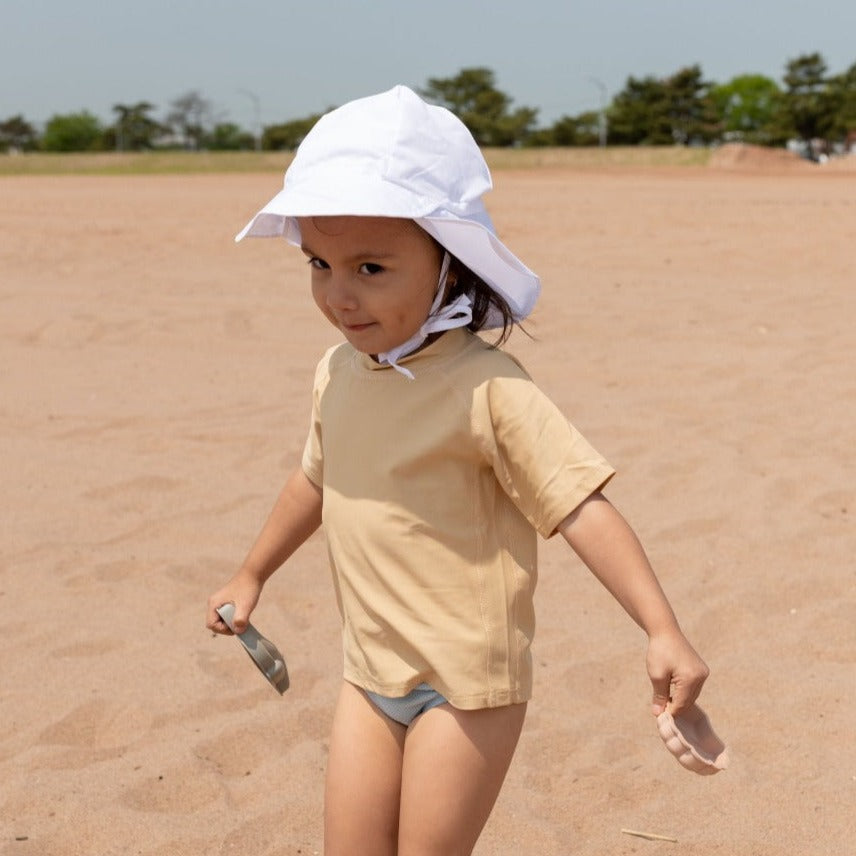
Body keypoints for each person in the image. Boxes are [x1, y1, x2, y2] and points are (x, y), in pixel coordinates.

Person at [206, 85, 709, 856]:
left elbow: (580, 505)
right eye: (319, 263)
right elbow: (314, 479)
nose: (338, 295)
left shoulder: (488, 388)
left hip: (467, 685)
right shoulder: (337, 373)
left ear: (449, 264)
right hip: (368, 671)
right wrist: (252, 573)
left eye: (371, 267)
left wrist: (661, 628)